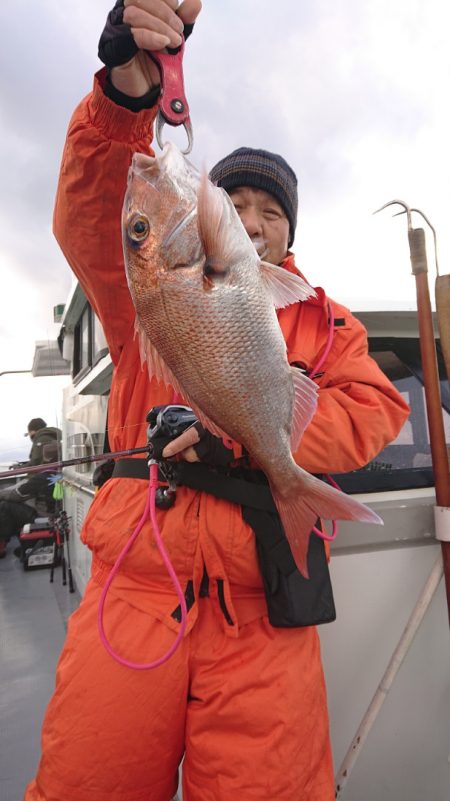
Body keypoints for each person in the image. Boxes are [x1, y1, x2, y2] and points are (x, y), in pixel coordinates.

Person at [24, 3, 410, 800]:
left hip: (264, 614)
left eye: (273, 211)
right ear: (208, 214)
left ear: (287, 234)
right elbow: (100, 214)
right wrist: (129, 94)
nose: (255, 221)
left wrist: (252, 437)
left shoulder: (326, 319)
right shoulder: (144, 297)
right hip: (135, 594)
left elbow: (375, 408)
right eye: (237, 203)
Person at [0, 442, 58, 559]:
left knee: (5, 506)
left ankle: (1, 545)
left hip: (46, 517)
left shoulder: (42, 477)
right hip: (58, 514)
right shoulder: (60, 473)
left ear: (45, 458)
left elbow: (16, 495)